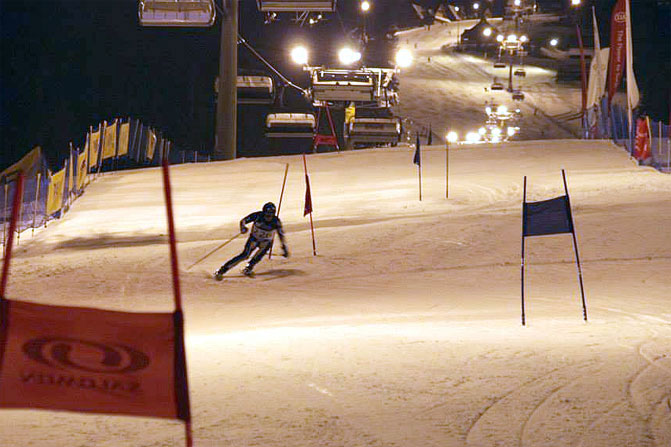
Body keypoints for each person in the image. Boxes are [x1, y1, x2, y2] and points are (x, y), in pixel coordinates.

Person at [214, 202, 289, 280]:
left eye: (271, 215)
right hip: (254, 239)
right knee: (245, 255)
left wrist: (284, 247)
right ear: (263, 213)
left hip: (266, 242)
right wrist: (243, 228)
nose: (268, 217)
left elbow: (281, 234)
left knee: (258, 256)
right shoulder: (257, 216)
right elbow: (243, 221)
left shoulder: (276, 221)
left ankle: (249, 267)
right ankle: (222, 270)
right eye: (267, 215)